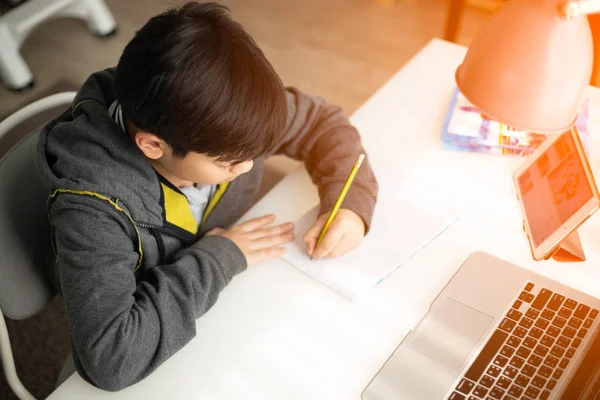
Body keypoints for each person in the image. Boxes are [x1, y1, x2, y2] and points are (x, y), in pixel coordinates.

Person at [37, 1, 378, 391]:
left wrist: (350, 205)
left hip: (221, 309)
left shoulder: (228, 116)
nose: (249, 167)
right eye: (228, 163)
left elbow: (322, 123)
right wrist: (217, 260)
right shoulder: (92, 211)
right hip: (161, 342)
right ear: (152, 145)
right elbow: (112, 360)